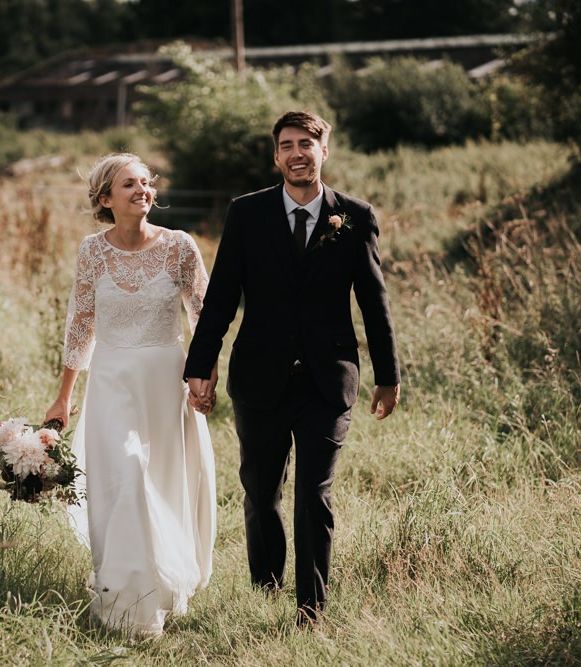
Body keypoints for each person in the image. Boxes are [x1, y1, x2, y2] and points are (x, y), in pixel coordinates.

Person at [184, 110, 400, 626]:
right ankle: (265, 588)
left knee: (314, 494)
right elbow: (222, 298)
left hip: (329, 380)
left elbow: (374, 301)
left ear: (325, 150)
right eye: (287, 144)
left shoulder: (354, 215)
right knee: (261, 493)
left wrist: (388, 375)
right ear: (276, 154)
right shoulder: (247, 213)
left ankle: (311, 608)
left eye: (308, 143)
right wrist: (200, 363)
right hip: (260, 377)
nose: (297, 152)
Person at [44, 153, 216, 638]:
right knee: (127, 474)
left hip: (166, 383)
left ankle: (160, 585)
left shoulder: (181, 247)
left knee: (161, 483)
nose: (142, 190)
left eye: (146, 182)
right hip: (112, 381)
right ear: (105, 199)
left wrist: (206, 375)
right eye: (129, 184)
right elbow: (80, 325)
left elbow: (204, 316)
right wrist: (63, 397)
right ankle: (127, 605)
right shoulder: (92, 251)